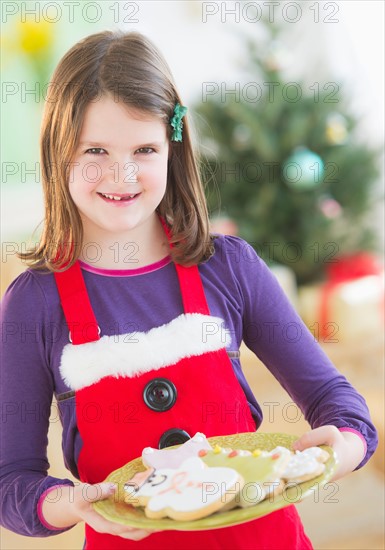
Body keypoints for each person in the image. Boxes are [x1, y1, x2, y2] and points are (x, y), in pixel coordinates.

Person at [0, 30, 377, 550]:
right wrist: (75, 502)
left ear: (173, 149)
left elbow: (341, 407)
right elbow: (10, 484)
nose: (122, 173)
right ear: (57, 150)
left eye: (145, 149)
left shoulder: (229, 267)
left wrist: (340, 450)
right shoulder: (34, 302)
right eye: (95, 150)